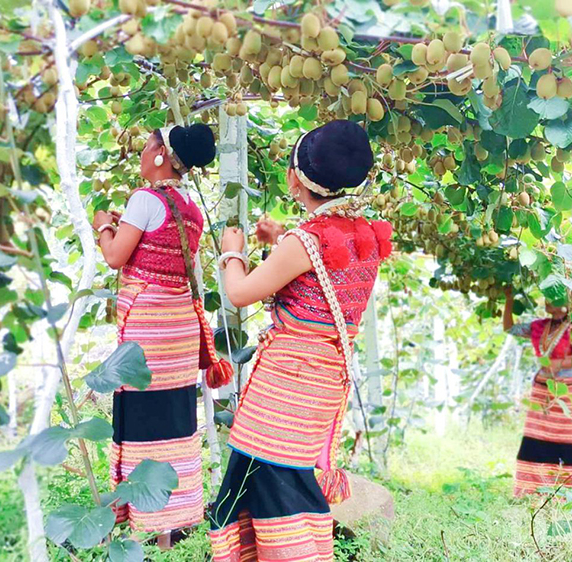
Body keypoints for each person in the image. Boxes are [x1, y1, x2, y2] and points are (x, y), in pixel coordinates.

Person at [209, 120, 392, 562]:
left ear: (295, 178)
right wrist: (279, 241)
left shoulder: (304, 241)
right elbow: (323, 275)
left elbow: (240, 292)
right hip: (324, 381)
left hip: (288, 382)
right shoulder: (366, 235)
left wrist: (231, 251)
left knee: (271, 484)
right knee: (285, 478)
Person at [92, 124, 217, 547]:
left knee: (141, 417)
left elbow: (115, 257)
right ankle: (168, 528)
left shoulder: (145, 199)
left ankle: (139, 520)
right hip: (179, 327)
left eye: (147, 146)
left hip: (148, 324)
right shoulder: (191, 207)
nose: (142, 153)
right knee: (172, 417)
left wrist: (102, 226)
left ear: (162, 154)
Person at [502, 286, 572, 498]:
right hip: (542, 387)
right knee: (536, 437)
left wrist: (559, 364)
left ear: (567, 303)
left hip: (567, 389)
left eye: (554, 298)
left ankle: (564, 492)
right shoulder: (538, 326)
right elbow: (509, 328)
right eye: (547, 298)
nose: (548, 302)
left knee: (564, 438)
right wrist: (509, 299)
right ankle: (531, 489)